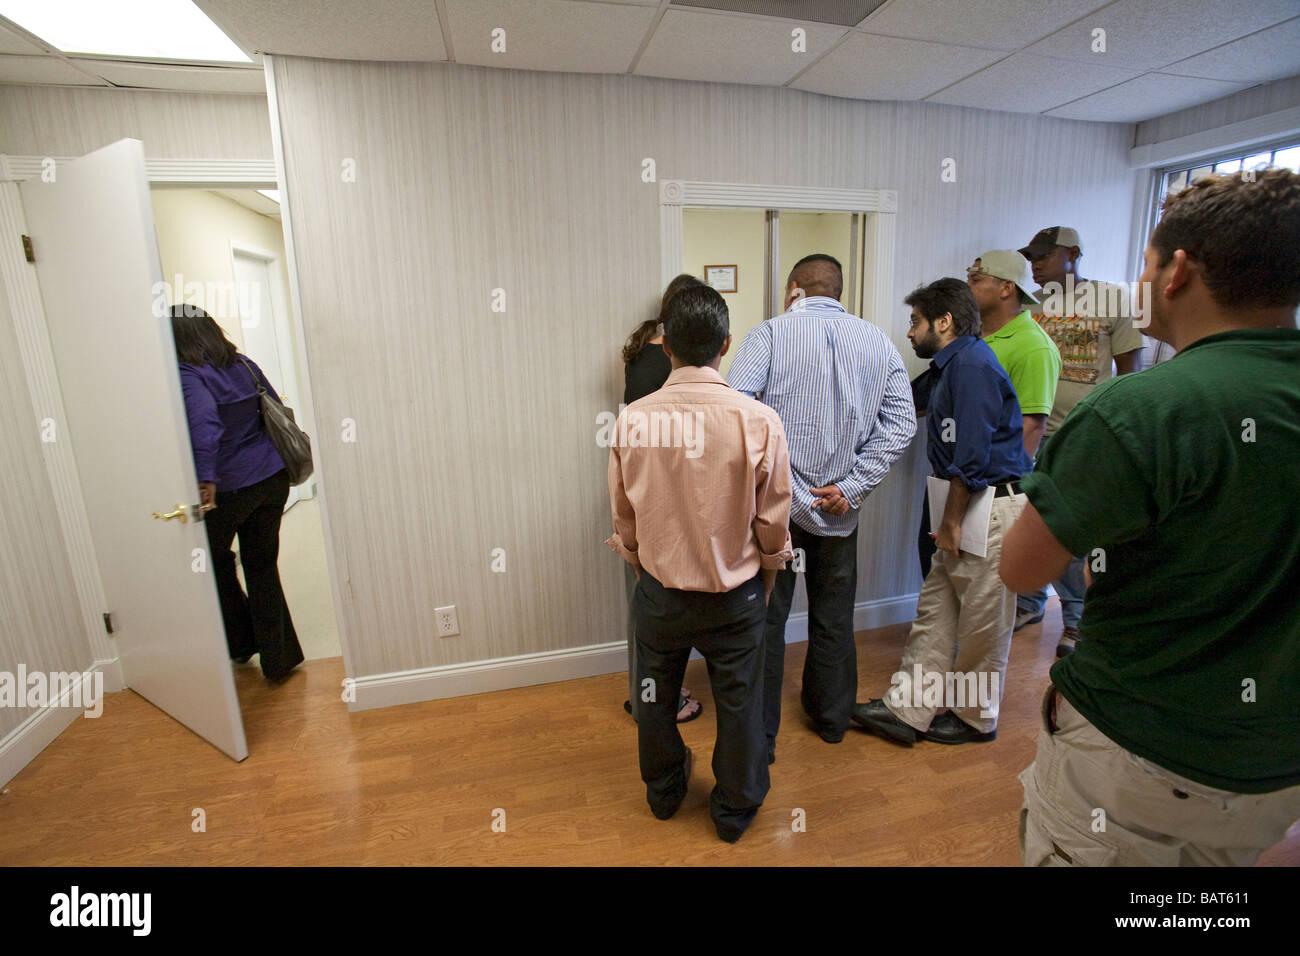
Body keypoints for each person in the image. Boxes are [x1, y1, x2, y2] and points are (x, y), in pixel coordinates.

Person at [1001, 168, 1300, 866]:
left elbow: (1020, 568)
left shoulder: (1141, 410)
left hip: (1139, 751)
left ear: (1178, 272)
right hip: (1275, 765)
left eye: (1147, 262)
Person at [606, 284, 794, 843]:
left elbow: (624, 518)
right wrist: (764, 575)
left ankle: (664, 793)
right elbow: (773, 521)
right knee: (739, 703)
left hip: (661, 593)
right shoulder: (759, 421)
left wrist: (642, 569)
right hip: (734, 594)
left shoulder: (633, 421)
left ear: (666, 348)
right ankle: (733, 811)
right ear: (727, 345)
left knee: (653, 695)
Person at [728, 254, 915, 759]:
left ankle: (761, 738)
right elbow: (902, 423)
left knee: (766, 618)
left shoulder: (768, 334)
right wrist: (852, 486)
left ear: (794, 290)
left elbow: (736, 417)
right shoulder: (876, 340)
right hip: (839, 511)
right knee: (833, 617)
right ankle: (832, 720)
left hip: (777, 512)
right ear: (838, 292)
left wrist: (777, 483)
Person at [852, 279, 1032, 745]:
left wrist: (950, 522)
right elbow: (903, 404)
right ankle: (909, 708)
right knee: (937, 609)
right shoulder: (951, 364)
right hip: (964, 502)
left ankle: (975, 719)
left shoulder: (971, 367)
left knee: (982, 623)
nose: (909, 333)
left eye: (915, 322)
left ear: (944, 322)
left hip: (986, 504)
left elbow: (970, 458)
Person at [1014, 227, 1145, 656]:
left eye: (1044, 255)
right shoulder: (1027, 305)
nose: (1034, 263)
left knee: (1068, 532)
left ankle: (1076, 620)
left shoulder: (1110, 299)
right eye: (1030, 256)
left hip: (1084, 435)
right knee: (1028, 524)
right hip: (1032, 430)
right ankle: (1032, 602)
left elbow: (1130, 372)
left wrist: (1122, 435)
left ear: (1072, 254)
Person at [172, 305, 304, 682]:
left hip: (228, 490)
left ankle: (241, 640)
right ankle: (280, 660)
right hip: (271, 480)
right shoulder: (243, 364)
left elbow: (205, 424)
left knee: (213, 564)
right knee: (262, 567)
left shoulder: (188, 374)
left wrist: (205, 479)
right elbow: (275, 406)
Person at [619, 273, 704, 725]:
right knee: (669, 604)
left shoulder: (639, 351)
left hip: (640, 489)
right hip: (670, 494)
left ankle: (645, 693)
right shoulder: (677, 364)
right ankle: (660, 699)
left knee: (646, 603)